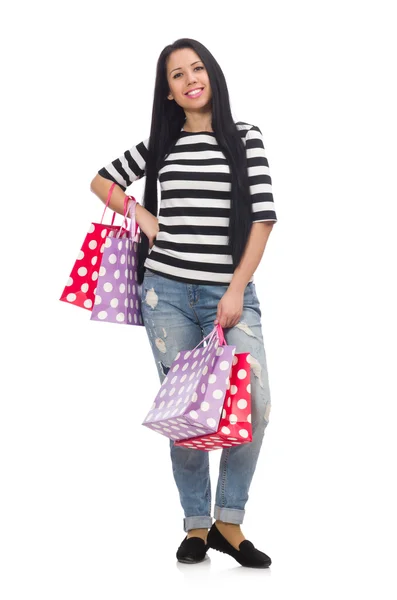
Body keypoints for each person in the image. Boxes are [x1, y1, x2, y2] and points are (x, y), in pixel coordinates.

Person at [90, 37, 277, 569]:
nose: (189, 78)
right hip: (164, 294)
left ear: (211, 75)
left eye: (197, 68)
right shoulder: (161, 143)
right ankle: (197, 525)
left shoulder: (244, 137)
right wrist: (143, 216)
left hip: (229, 291)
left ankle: (229, 520)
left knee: (256, 406)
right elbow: (100, 181)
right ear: (168, 91)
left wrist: (237, 287)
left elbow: (262, 218)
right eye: (176, 74)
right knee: (186, 415)